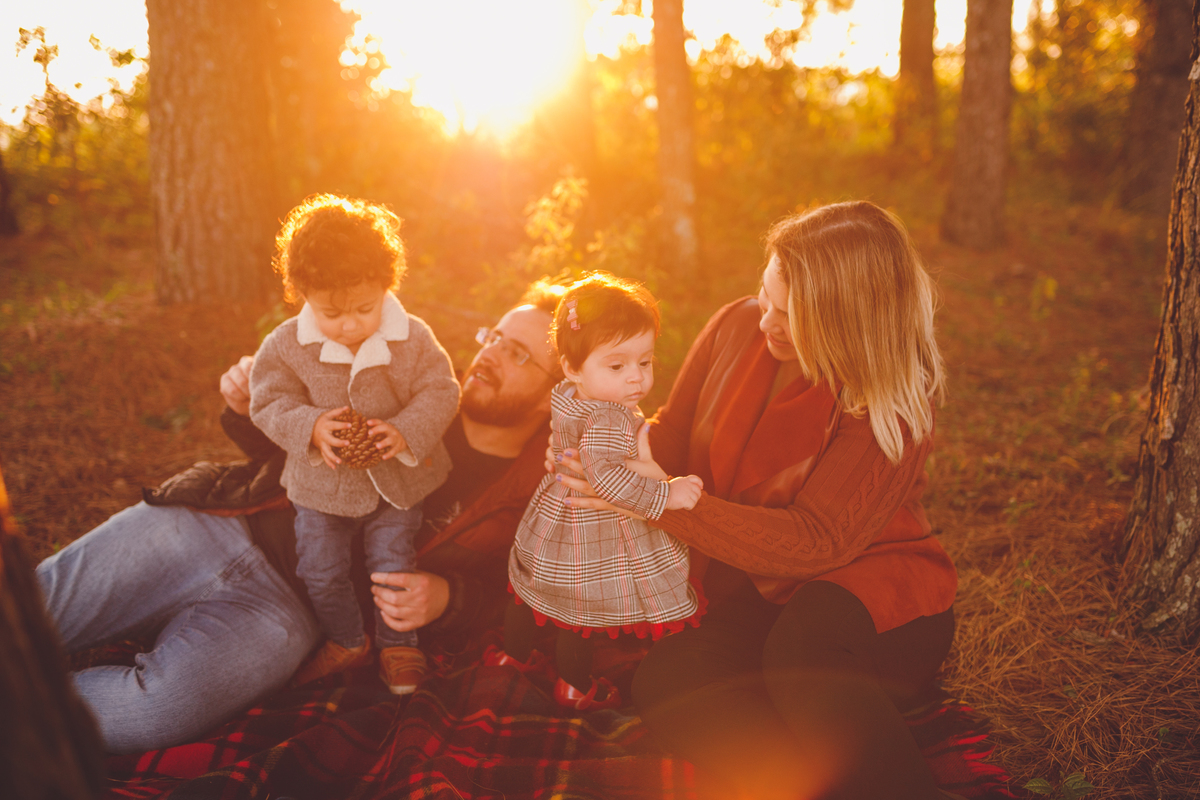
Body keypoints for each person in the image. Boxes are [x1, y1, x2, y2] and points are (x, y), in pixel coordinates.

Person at [36, 279, 565, 754]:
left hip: (287, 615)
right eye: (493, 337)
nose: (490, 354)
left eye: (517, 352)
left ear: (554, 396)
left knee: (155, 710)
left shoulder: (536, 494)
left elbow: (520, 597)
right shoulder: (412, 382)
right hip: (223, 522)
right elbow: (276, 445)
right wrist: (249, 405)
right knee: (29, 606)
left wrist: (450, 598)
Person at [557, 202, 958, 799]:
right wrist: (600, 453)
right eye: (765, 294)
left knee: (801, 652)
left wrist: (659, 502)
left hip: (867, 592)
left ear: (845, 319)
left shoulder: (887, 401)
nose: (764, 318)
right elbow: (670, 434)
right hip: (748, 584)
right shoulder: (736, 325)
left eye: (788, 314)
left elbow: (816, 543)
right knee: (672, 680)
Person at [248, 195, 459, 693]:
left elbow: (441, 389)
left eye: (365, 309)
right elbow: (268, 400)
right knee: (318, 569)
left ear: (387, 286)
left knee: (392, 562)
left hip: (397, 479)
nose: (349, 325)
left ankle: (399, 644)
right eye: (332, 313)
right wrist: (311, 427)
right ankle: (347, 639)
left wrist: (406, 428)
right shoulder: (284, 345)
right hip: (321, 487)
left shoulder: (411, 336)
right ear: (302, 293)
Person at [502, 273, 704, 710]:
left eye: (645, 362)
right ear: (573, 366)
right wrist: (666, 494)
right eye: (617, 366)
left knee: (530, 588)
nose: (636, 378)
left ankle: (511, 655)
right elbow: (607, 479)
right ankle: (574, 686)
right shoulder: (611, 417)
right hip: (592, 530)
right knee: (580, 611)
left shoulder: (569, 393)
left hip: (556, 513)